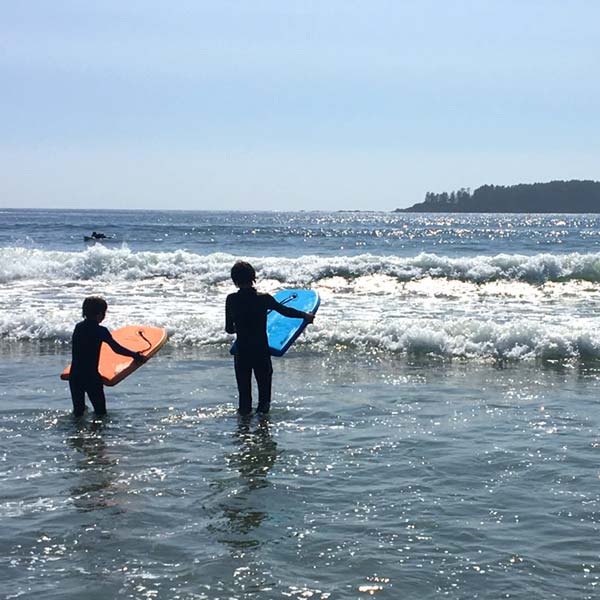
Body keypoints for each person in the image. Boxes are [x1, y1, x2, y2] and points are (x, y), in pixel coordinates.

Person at [225, 261, 315, 416]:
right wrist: (304, 315)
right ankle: (263, 432)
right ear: (253, 277)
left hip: (242, 352)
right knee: (264, 399)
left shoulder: (231, 299)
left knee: (244, 401)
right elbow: (285, 311)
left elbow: (229, 329)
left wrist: (240, 325)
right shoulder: (264, 298)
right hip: (260, 351)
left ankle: (243, 433)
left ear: (235, 280)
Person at [69, 296, 146, 417]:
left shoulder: (78, 327)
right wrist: (134, 355)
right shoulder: (101, 330)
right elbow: (116, 348)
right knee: (100, 413)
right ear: (99, 314)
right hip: (91, 377)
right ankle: (97, 434)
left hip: (75, 376)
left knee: (78, 412)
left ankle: (77, 435)